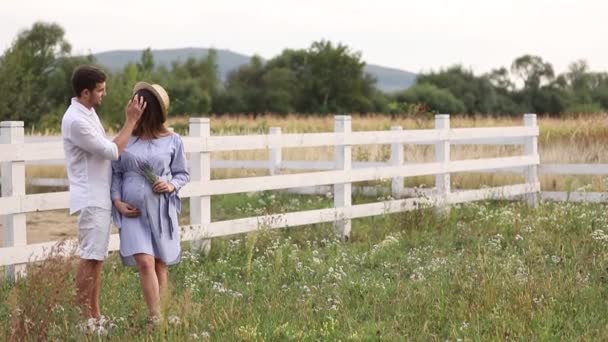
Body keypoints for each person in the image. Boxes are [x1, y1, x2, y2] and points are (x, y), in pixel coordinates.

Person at [61, 65, 146, 319]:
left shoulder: (87, 112)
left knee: (96, 259)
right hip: (91, 197)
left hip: (99, 196)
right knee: (90, 258)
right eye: (100, 90)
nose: (104, 94)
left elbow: (109, 147)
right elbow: (111, 151)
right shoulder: (76, 121)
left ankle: (93, 315)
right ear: (85, 92)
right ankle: (86, 318)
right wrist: (131, 120)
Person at [110, 82, 189, 322]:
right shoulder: (126, 139)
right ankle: (156, 317)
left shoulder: (173, 140)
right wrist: (117, 201)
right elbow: (116, 172)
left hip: (160, 210)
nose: (135, 108)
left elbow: (182, 173)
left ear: (151, 109)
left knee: (159, 263)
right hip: (132, 213)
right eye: (133, 104)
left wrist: (170, 185)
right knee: (145, 262)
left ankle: (162, 313)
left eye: (140, 105)